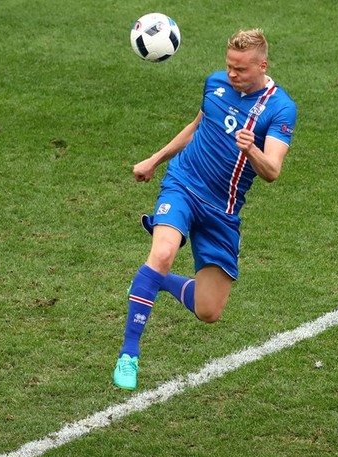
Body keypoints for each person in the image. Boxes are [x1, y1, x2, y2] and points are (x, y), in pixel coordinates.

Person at [113, 29, 297, 391]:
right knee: (163, 251)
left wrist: (252, 150)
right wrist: (155, 160)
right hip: (183, 184)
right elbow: (196, 128)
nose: (232, 75)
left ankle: (157, 282)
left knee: (208, 310)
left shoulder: (280, 108)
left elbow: (272, 171)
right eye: (229, 66)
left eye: (241, 69)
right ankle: (129, 354)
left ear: (263, 65)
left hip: (223, 210)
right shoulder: (214, 84)